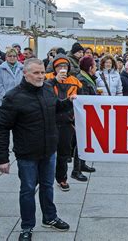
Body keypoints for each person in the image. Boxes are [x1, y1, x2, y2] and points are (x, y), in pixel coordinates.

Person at [0, 58, 72, 240]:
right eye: (36, 73)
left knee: (47, 186)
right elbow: (1, 128)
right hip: (27, 153)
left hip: (49, 150)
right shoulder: (13, 97)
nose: (40, 76)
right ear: (25, 73)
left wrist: (69, 101)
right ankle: (27, 226)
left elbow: (56, 108)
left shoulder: (47, 89)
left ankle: (50, 217)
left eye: (42, 72)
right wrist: (2, 158)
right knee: (28, 189)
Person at [45, 54, 83, 189]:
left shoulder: (75, 81)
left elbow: (82, 98)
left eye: (65, 66)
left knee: (64, 152)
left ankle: (62, 178)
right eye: (60, 66)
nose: (63, 68)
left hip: (67, 121)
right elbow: (43, 93)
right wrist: (55, 80)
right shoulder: (47, 79)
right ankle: (46, 177)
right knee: (48, 152)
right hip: (50, 121)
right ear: (54, 68)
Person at [72, 56, 98, 181]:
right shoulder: (82, 80)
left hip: (86, 115)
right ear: (90, 67)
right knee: (80, 142)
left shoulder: (87, 78)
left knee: (84, 140)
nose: (96, 68)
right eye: (95, 65)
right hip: (82, 116)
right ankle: (75, 170)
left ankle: (81, 164)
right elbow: (84, 101)